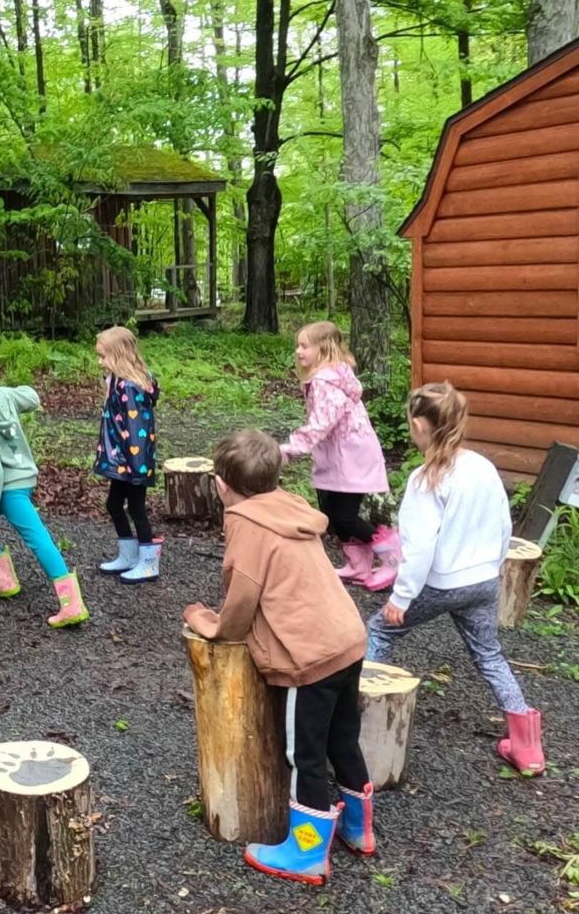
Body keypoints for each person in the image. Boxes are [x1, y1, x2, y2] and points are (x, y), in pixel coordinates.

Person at [184, 429, 375, 886]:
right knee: (342, 738)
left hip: (310, 657)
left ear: (221, 485)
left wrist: (211, 623)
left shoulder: (246, 523)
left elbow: (242, 601)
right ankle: (359, 829)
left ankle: (307, 852)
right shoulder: (290, 507)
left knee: (303, 753)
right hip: (347, 640)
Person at [366, 382, 545, 775]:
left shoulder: (424, 479)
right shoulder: (482, 466)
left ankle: (353, 716)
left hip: (441, 583)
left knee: (378, 632)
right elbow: (503, 525)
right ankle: (528, 747)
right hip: (483, 581)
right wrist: (492, 568)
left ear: (418, 425)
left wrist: (401, 598)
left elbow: (421, 548)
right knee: (489, 655)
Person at [0, 337, 88, 628]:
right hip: (24, 479)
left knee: (37, 539)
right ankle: (4, 579)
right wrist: (2, 393)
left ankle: (71, 605)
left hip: (9, 489)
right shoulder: (4, 396)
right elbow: (32, 397)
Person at [280, 320, 395, 590]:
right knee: (331, 513)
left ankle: (394, 556)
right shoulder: (328, 378)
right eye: (298, 345)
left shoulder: (326, 382)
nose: (298, 351)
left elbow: (321, 423)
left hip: (351, 457)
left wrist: (289, 449)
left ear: (324, 349)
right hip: (339, 457)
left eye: (304, 346)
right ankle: (359, 565)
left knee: (344, 516)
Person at [93, 326, 162, 583]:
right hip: (122, 459)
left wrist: (136, 466)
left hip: (133, 462)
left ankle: (149, 563)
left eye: (103, 356)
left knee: (136, 508)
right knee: (113, 504)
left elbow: (135, 429)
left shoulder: (130, 387)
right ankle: (129, 555)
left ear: (119, 355)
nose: (99, 362)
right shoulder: (116, 381)